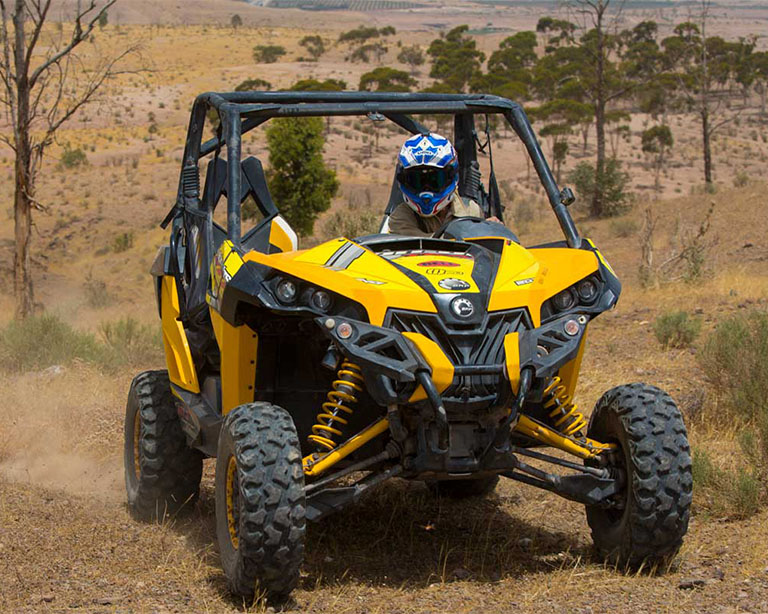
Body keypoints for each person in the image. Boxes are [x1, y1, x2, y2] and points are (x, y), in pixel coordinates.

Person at [388, 132, 498, 236]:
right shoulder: (400, 217)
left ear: (450, 177)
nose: (427, 189)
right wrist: (478, 233)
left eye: (435, 180)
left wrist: (492, 230)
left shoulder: (470, 210)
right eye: (417, 181)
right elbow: (419, 243)